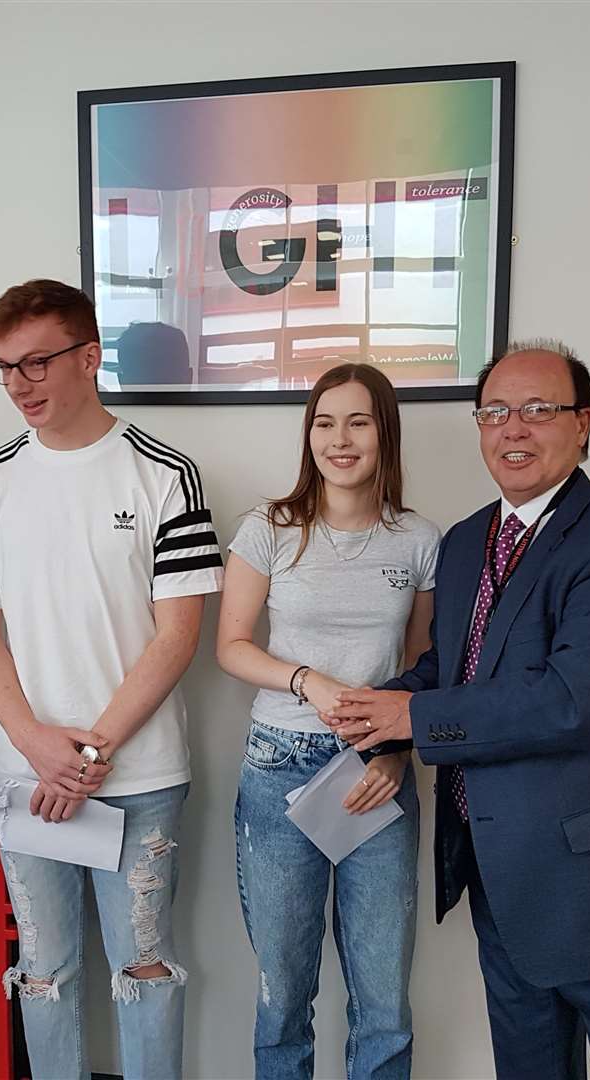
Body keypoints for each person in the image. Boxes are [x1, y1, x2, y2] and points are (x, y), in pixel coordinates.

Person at [327, 341, 590, 1080]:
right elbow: (453, 668)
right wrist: (383, 705)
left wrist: (412, 722)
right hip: (507, 875)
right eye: (494, 412)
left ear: (582, 424)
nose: (513, 428)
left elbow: (570, 698)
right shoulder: (463, 543)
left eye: (538, 410)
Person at [0, 279, 222, 1080]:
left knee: (145, 970)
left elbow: (179, 636)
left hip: (138, 779)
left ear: (90, 357)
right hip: (24, 779)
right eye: (5, 369)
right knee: (43, 974)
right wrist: (39, 748)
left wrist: (89, 757)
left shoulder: (165, 473)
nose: (21, 385)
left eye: (36, 363)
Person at [217, 363, 440, 1080]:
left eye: (358, 422)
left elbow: (421, 661)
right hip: (279, 770)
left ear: (385, 434)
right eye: (324, 422)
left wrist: (397, 752)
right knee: (284, 997)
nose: (339, 440)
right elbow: (230, 646)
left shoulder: (418, 540)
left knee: (384, 1005)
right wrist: (305, 680)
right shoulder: (271, 529)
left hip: (377, 775)